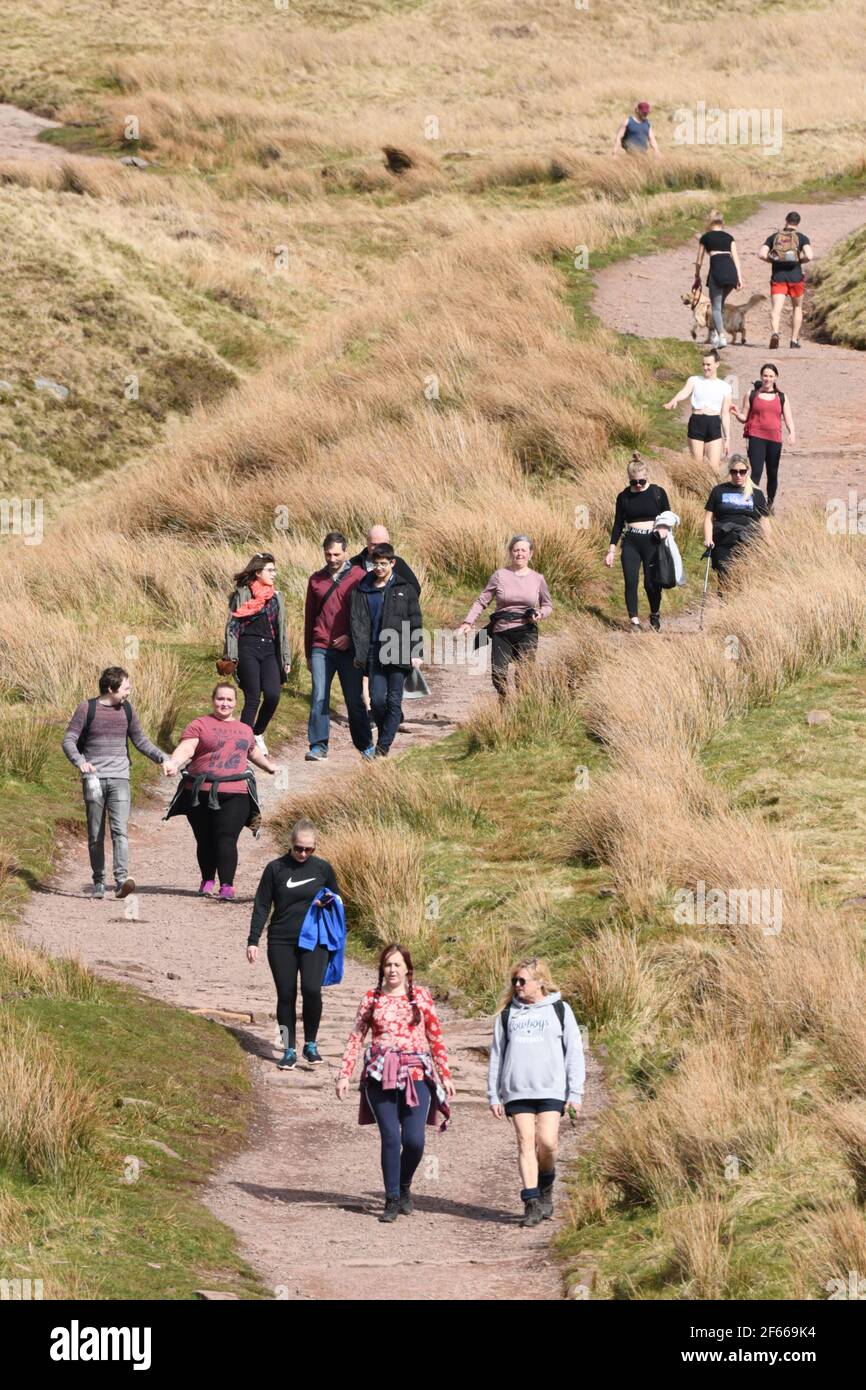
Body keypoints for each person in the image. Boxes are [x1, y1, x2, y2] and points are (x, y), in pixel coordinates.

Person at [336, 943, 454, 1223]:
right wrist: (344, 1073)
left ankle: (404, 1185)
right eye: (388, 965)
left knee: (414, 1140)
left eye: (397, 965)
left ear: (407, 969)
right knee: (390, 1136)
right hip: (380, 1075)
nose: (392, 970)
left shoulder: (421, 998)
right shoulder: (371, 999)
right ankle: (391, 1199)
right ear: (382, 969)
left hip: (416, 1075)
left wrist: (445, 1075)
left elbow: (436, 1037)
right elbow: (356, 1037)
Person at [488, 956, 585, 1229]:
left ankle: (546, 1184)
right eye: (514, 981)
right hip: (517, 1090)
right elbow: (497, 1055)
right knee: (524, 1141)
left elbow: (574, 1053)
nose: (517, 985)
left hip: (551, 1088)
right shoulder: (508, 1014)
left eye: (522, 981)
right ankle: (531, 1202)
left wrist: (575, 1093)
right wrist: (493, 1095)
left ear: (540, 982)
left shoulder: (560, 1010)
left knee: (548, 1142)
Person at [62, 666, 168, 900]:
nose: (129, 692)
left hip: (121, 777)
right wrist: (80, 762)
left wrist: (163, 758)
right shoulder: (86, 708)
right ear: (111, 688)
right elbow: (69, 740)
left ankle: (121, 881)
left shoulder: (127, 710)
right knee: (95, 832)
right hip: (93, 780)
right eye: (126, 688)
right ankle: (98, 881)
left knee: (120, 830)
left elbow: (140, 740)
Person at [162, 682, 276, 900]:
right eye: (220, 699)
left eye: (229, 700)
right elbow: (187, 748)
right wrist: (174, 763)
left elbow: (252, 752)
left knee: (226, 837)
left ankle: (227, 886)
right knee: (204, 839)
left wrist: (269, 766)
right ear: (213, 700)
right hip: (200, 792)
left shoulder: (245, 729)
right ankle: (207, 880)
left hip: (236, 793)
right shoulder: (199, 724)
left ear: (235, 703)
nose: (224, 703)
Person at [247, 819, 342, 1070]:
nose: (303, 853)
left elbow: (337, 899)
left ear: (315, 848)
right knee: (286, 994)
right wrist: (253, 940)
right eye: (298, 848)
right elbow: (262, 905)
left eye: (308, 849)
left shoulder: (323, 869)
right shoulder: (275, 868)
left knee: (312, 989)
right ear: (291, 844)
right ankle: (289, 1048)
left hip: (314, 940)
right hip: (281, 939)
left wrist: (327, 901)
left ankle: (310, 1044)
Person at [349, 543, 423, 757]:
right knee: (378, 700)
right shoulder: (363, 588)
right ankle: (386, 732)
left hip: (398, 649)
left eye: (384, 564)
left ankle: (382, 748)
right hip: (373, 651)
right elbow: (357, 621)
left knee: (393, 700)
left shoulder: (405, 588)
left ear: (392, 563)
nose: (379, 568)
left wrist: (416, 652)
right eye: (375, 564)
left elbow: (415, 620)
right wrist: (358, 652)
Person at [304, 531, 371, 763]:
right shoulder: (315, 580)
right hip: (321, 647)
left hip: (349, 650)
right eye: (327, 554)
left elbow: (365, 617)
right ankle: (318, 746)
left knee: (354, 699)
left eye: (336, 554)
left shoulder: (360, 576)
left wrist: (351, 638)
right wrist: (308, 654)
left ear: (346, 552)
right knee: (319, 696)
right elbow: (309, 618)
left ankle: (365, 746)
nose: (331, 559)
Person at [457, 535, 552, 697]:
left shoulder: (538, 578)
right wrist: (468, 622)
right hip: (502, 632)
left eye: (523, 550)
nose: (519, 554)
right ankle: (505, 699)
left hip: (527, 631)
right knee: (498, 674)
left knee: (524, 675)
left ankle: (521, 709)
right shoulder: (499, 575)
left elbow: (547, 605)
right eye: (516, 550)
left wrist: (540, 613)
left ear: (531, 554)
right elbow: (482, 601)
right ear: (510, 553)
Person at [222, 552, 292, 758]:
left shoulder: (276, 596)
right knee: (253, 697)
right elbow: (232, 626)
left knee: (273, 695)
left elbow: (282, 630)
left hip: (270, 649)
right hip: (247, 648)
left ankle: (257, 732)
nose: (274, 574)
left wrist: (286, 658)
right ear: (258, 572)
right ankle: (241, 747)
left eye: (274, 570)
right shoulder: (243, 594)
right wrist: (231, 656)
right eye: (270, 570)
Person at [605, 454, 671, 631]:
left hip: (652, 541)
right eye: (634, 482)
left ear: (647, 476)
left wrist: (663, 529)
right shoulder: (624, 497)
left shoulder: (658, 492)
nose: (638, 485)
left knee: (651, 583)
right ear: (629, 480)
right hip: (631, 542)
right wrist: (611, 550)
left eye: (641, 481)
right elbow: (618, 524)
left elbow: (668, 516)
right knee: (630, 581)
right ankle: (634, 620)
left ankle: (655, 614)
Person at [731, 363, 795, 511]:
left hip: (774, 439)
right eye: (765, 375)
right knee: (756, 472)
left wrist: (792, 432)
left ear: (776, 378)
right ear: (761, 376)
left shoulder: (782, 397)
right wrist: (736, 414)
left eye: (771, 376)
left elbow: (788, 418)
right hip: (756, 437)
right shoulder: (752, 394)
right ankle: (751, 504)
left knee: (772, 473)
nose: (767, 378)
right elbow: (744, 417)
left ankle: (769, 505)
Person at [704, 455, 771, 581]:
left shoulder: (756, 493)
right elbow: (708, 518)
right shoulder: (718, 491)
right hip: (723, 537)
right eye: (734, 472)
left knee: (743, 575)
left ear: (747, 470)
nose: (738, 475)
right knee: (725, 575)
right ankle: (723, 597)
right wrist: (708, 539)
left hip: (748, 537)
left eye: (742, 472)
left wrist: (768, 542)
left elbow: (764, 520)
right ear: (730, 471)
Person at [663, 348, 732, 468]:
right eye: (703, 364)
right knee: (697, 465)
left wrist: (727, 438)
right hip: (697, 422)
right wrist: (674, 400)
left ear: (717, 364)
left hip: (714, 423)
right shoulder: (694, 380)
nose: (705, 367)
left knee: (714, 467)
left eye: (708, 364)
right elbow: (684, 392)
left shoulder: (725, 387)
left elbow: (725, 414)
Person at [758, 210, 812, 350]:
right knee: (797, 307)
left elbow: (761, 254)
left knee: (776, 309)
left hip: (778, 277)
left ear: (786, 220)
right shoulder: (801, 237)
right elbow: (810, 256)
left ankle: (775, 333)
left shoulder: (774, 237)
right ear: (798, 223)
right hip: (795, 277)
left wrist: (773, 261)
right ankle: (794, 341)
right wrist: (799, 260)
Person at [694, 211, 744, 349]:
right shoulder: (729, 237)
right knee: (720, 305)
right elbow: (736, 258)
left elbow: (699, 261)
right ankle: (715, 334)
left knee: (715, 307)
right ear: (722, 223)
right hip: (731, 272)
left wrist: (697, 275)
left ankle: (721, 336)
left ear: (709, 222)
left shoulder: (705, 237)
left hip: (717, 270)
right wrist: (739, 278)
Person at [349, 526, 421, 592]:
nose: (377, 548)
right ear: (367, 542)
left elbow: (414, 589)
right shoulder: (354, 563)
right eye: (374, 544)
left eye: (381, 544)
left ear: (388, 543)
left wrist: (396, 602)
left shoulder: (398, 563)